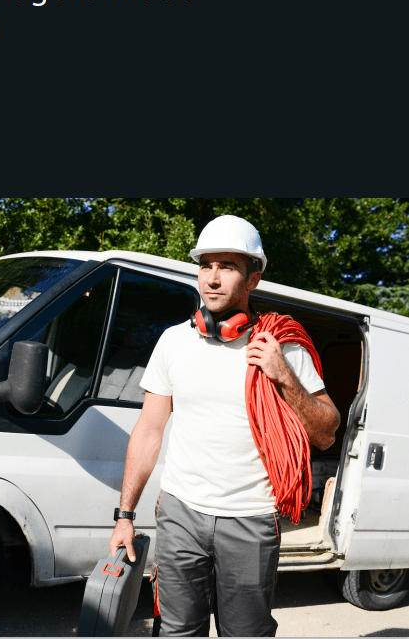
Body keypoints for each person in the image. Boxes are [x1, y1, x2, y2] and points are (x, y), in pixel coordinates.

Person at [109, 215, 341, 637]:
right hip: (181, 511)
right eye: (206, 265)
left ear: (253, 279)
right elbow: (149, 430)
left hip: (250, 519)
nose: (212, 279)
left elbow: (326, 431)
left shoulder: (281, 345)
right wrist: (125, 516)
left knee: (246, 634)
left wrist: (284, 376)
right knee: (177, 631)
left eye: (227, 267)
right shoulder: (174, 341)